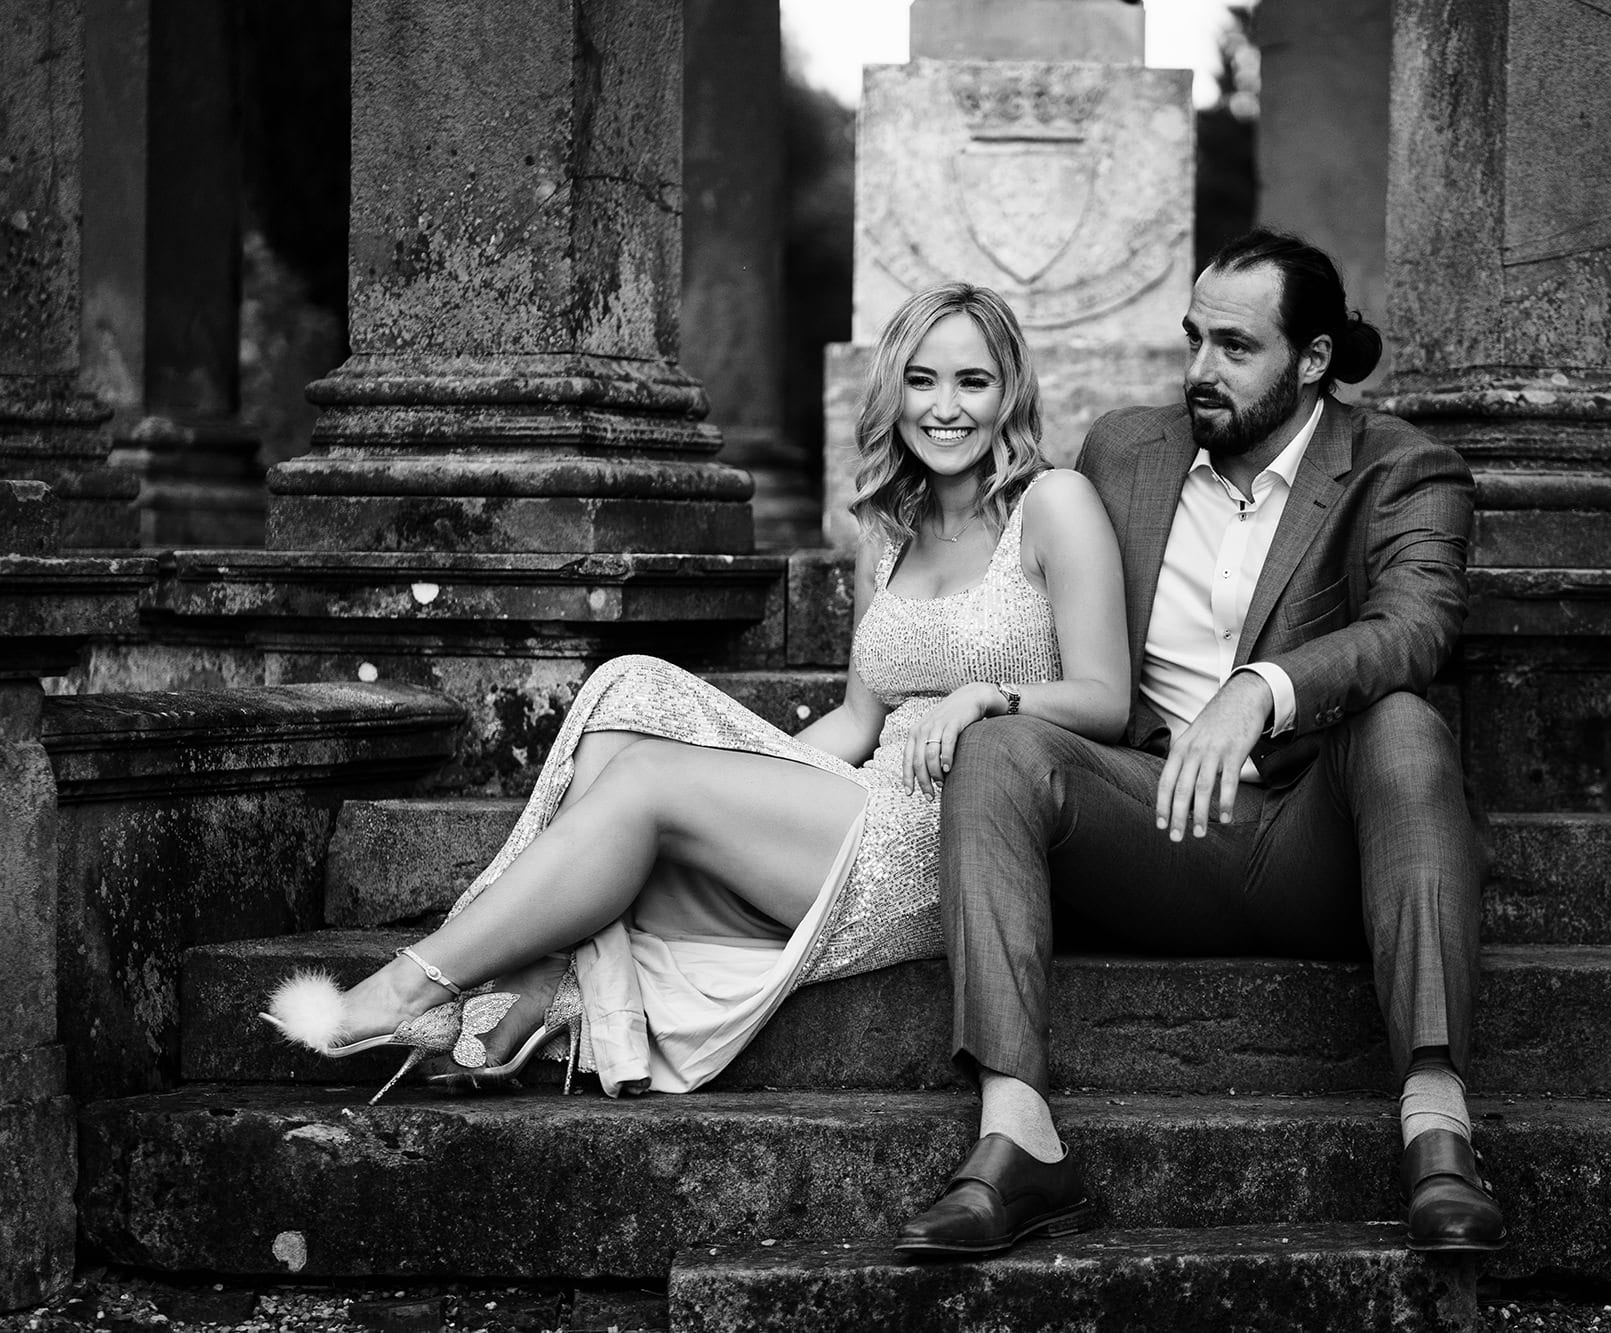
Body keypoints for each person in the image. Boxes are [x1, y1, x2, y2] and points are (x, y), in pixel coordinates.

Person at [261, 282, 1129, 1106]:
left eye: (973, 381)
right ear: (893, 393)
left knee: (648, 782)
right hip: (856, 803)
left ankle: (415, 984)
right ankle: (543, 973)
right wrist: (743, 780)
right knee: (628, 687)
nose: (945, 407)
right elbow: (859, 719)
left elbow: (1107, 699)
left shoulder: (1054, 504)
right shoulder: (888, 532)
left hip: (958, 835)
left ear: (1009, 392)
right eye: (922, 380)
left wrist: (988, 695)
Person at [893, 228, 1506, 1260]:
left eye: (1235, 346)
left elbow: (1417, 626)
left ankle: (1437, 1126)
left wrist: (1260, 691)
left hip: (1318, 837)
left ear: (1311, 359)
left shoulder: (1400, 467)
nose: (1200, 370)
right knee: (997, 748)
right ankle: (1017, 1138)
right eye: (1193, 339)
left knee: (1406, 722)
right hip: (1150, 826)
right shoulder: (1125, 452)